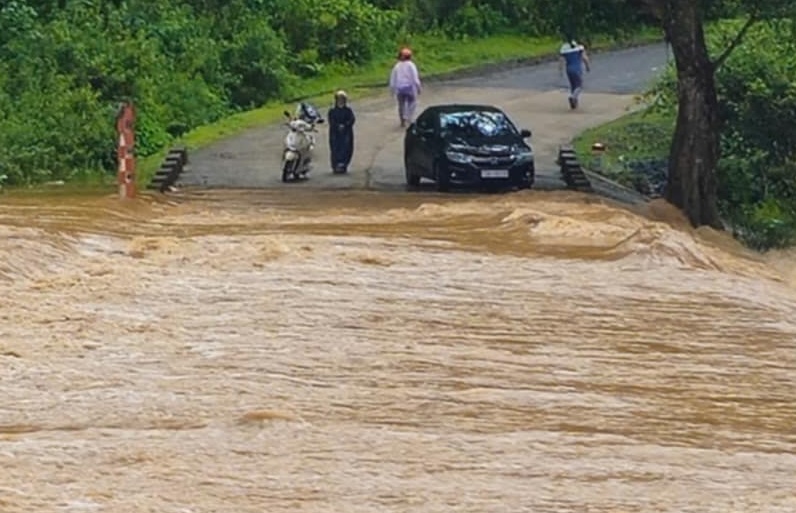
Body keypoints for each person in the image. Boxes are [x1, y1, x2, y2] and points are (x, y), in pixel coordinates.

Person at [389, 47, 422, 127]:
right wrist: (418, 87)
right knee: (412, 103)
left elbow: (393, 79)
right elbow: (415, 78)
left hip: (400, 89)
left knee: (401, 105)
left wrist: (392, 90)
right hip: (410, 88)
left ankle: (402, 121)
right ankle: (408, 117)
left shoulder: (396, 66)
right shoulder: (411, 65)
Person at [558, 36, 591, 110]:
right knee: (580, 86)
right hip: (577, 69)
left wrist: (560, 70)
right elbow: (585, 58)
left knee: (573, 85)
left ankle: (574, 103)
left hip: (568, 69)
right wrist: (587, 66)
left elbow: (561, 61)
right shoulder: (579, 48)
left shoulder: (564, 49)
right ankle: (573, 97)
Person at [327, 90, 355, 173]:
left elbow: (352, 119)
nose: (341, 101)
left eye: (342, 99)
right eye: (339, 99)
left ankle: (343, 164)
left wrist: (345, 125)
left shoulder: (348, 110)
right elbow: (331, 121)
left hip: (346, 133)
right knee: (335, 148)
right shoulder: (332, 111)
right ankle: (336, 165)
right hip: (335, 133)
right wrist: (337, 126)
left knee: (346, 148)